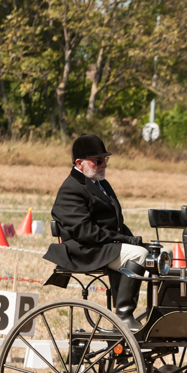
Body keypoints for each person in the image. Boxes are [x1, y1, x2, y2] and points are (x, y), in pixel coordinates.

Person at [44, 134, 148, 331]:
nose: (104, 165)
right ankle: (124, 316)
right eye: (98, 161)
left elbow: (115, 222)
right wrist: (124, 240)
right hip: (85, 249)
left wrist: (135, 240)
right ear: (79, 163)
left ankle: (159, 314)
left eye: (105, 160)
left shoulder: (100, 183)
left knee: (158, 254)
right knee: (139, 255)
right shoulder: (71, 189)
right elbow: (86, 232)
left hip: (104, 245)